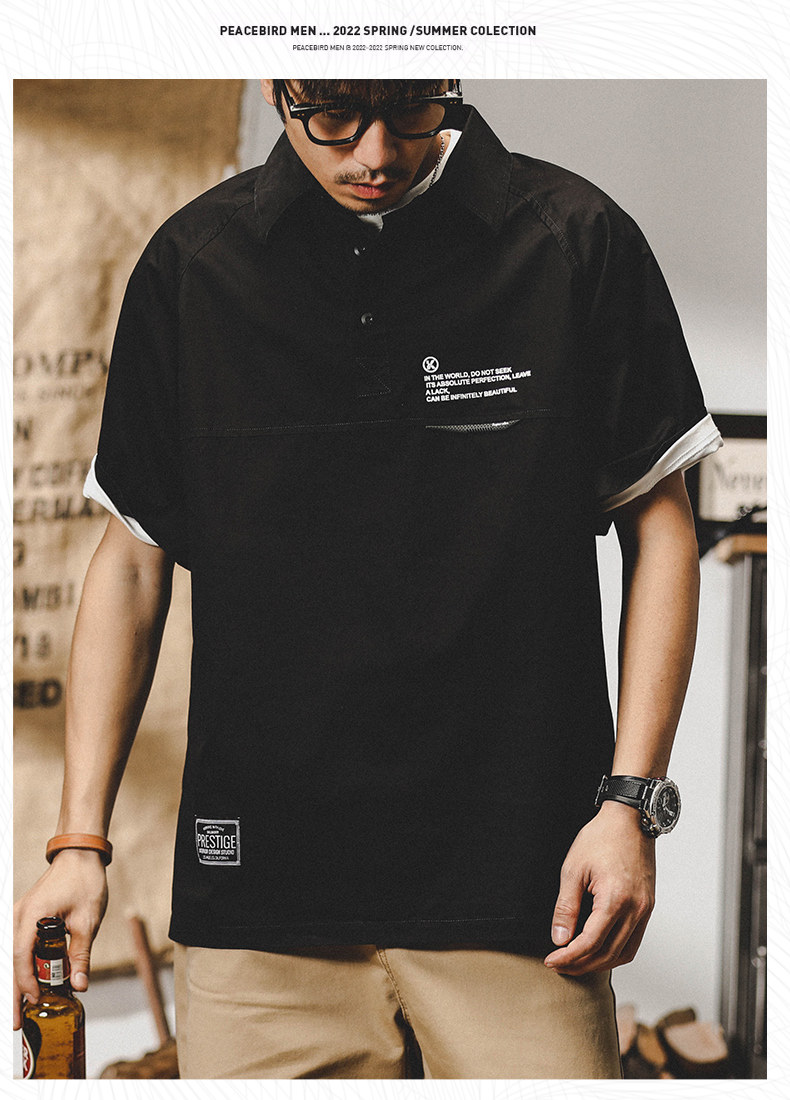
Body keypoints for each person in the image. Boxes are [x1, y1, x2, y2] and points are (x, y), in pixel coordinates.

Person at [13, 79, 722, 1079]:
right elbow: (131, 562)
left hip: (523, 891)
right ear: (280, 87)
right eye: (335, 116)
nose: (375, 153)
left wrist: (630, 804)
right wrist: (78, 842)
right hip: (262, 906)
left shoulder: (574, 240)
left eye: (409, 110)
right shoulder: (194, 265)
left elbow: (662, 528)